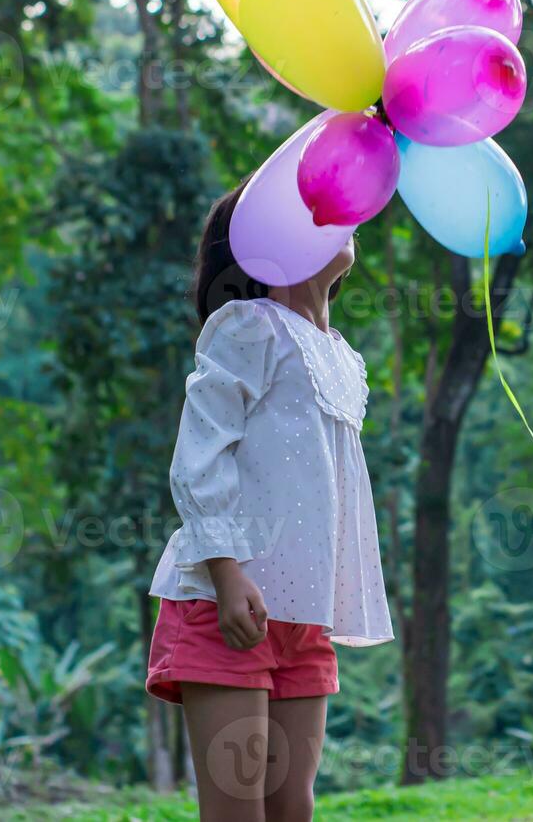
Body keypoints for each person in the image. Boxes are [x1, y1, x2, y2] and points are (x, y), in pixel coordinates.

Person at [145, 177, 394, 821]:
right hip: (227, 605)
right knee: (238, 811)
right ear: (273, 245)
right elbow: (199, 456)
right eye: (315, 214)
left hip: (302, 617)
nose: (341, 220)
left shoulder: (344, 357)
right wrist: (227, 576)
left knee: (293, 808)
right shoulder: (248, 328)